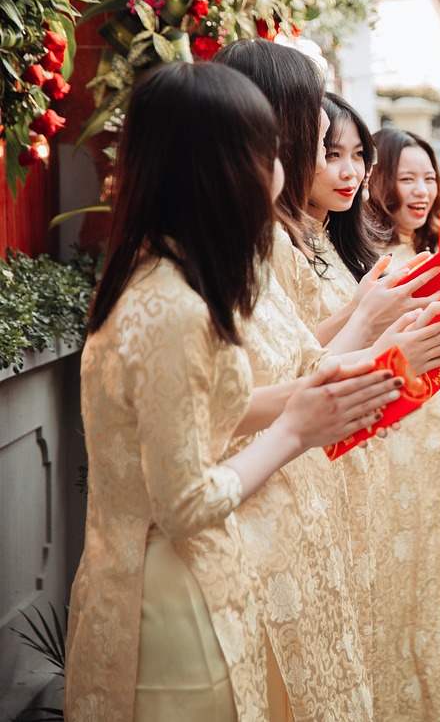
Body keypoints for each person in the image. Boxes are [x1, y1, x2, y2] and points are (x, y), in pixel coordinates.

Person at [64, 62, 404, 720]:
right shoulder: (171, 304)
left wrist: (323, 394)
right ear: (223, 169)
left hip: (191, 586)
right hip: (177, 604)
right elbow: (185, 499)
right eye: (270, 152)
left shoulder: (169, 279)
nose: (283, 171)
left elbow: (208, 412)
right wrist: (295, 429)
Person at [214, 39, 440, 720]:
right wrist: (371, 325)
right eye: (323, 145)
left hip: (313, 466)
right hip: (266, 486)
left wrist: (386, 329)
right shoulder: (239, 248)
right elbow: (268, 386)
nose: (341, 165)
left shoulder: (289, 236)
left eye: (355, 153)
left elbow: (295, 369)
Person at [365, 122, 440, 719]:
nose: (419, 190)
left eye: (428, 177)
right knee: (396, 573)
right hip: (389, 427)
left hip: (435, 421)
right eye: (404, 177)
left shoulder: (432, 252)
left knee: (433, 570)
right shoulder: (373, 262)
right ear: (376, 182)